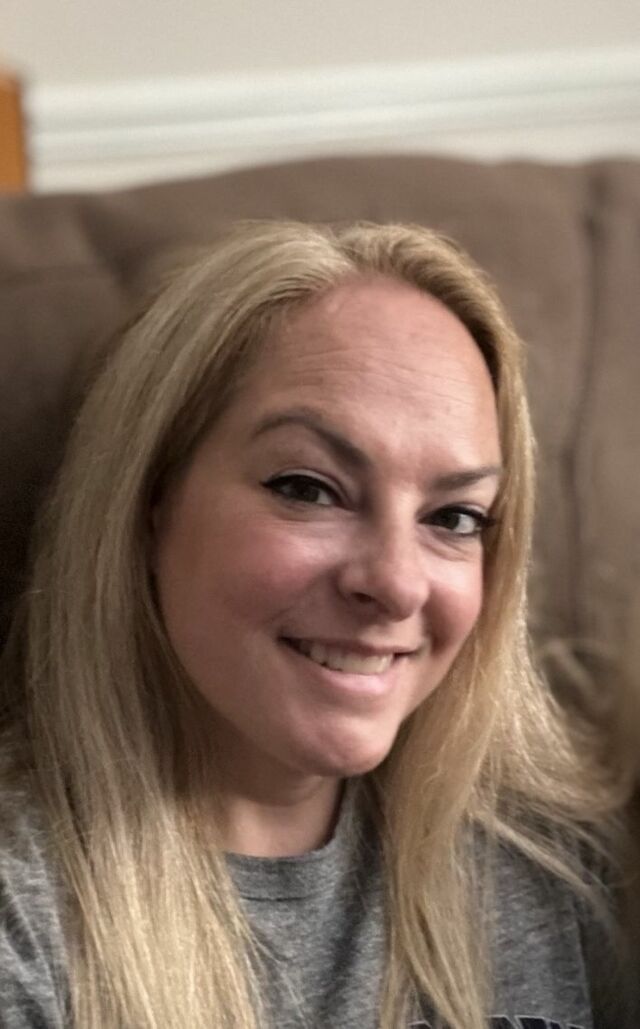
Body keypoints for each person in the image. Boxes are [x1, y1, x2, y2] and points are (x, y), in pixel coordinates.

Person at [0, 220, 630, 1029]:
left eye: (454, 516)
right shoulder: (24, 913)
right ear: (150, 502)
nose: (396, 583)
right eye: (308, 488)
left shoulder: (551, 868)